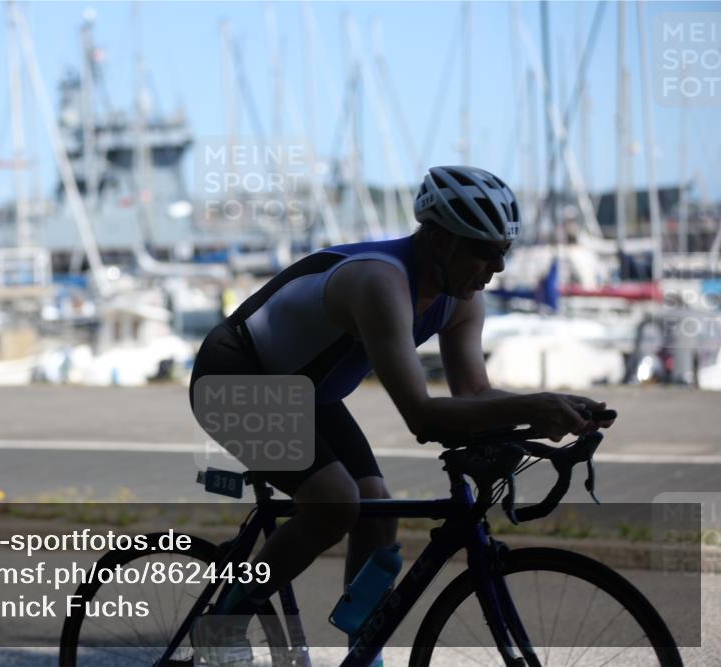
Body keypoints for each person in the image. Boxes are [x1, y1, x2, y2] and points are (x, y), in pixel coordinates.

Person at [188, 165, 615, 666]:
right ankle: (221, 628)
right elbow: (423, 417)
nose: (496, 268)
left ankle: (362, 655)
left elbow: (474, 391)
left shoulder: (460, 301)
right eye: (483, 249)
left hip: (308, 394)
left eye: (504, 251)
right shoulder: (379, 281)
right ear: (438, 238)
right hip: (235, 375)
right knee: (334, 503)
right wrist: (529, 408)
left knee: (378, 511)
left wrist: (553, 405)